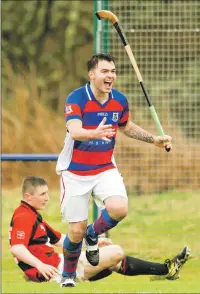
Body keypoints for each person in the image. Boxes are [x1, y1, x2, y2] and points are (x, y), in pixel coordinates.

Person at [56, 53, 172, 287]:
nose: (111, 76)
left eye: (113, 71)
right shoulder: (77, 98)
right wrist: (94, 133)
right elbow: (75, 130)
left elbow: (125, 125)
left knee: (119, 208)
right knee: (75, 232)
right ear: (92, 74)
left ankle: (93, 233)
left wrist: (153, 139)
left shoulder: (119, 100)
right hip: (75, 172)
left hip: (105, 167)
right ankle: (68, 275)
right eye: (105, 71)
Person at [9, 176, 190, 284]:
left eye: (47, 193)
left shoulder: (32, 215)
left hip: (59, 264)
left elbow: (62, 240)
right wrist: (39, 266)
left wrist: (90, 244)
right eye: (43, 194)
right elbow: (17, 248)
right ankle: (167, 270)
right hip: (57, 270)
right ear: (28, 196)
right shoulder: (24, 216)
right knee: (116, 252)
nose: (47, 198)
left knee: (113, 260)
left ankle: (167, 270)